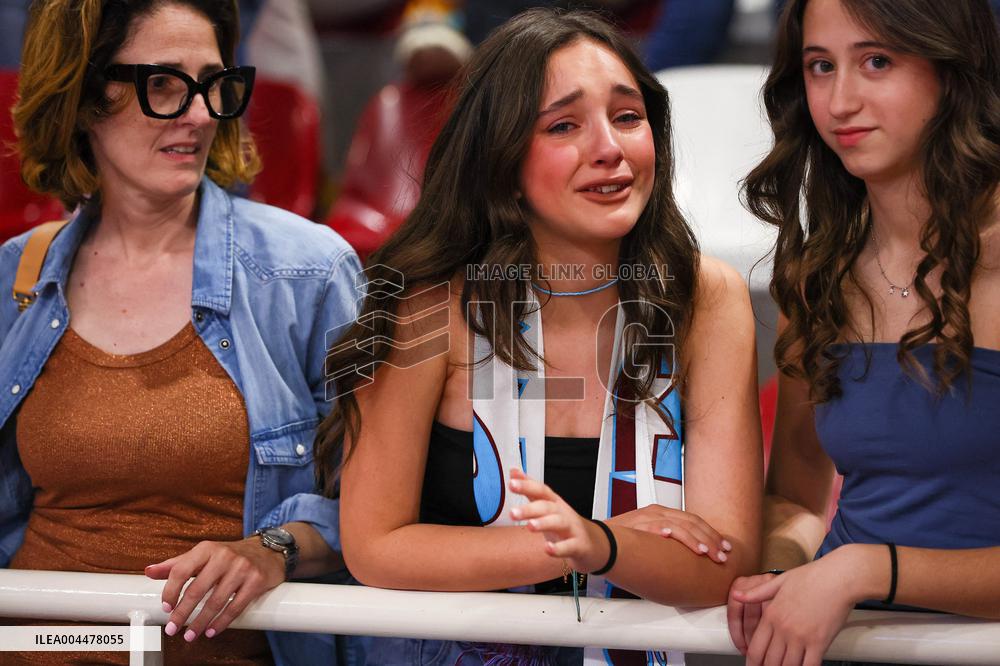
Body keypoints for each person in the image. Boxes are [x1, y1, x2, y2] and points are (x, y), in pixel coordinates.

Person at [318, 7, 762, 664]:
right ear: (500, 160)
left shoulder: (706, 296)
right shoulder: (428, 300)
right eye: (563, 126)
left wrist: (598, 545)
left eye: (628, 117)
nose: (609, 148)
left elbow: (725, 560)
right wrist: (579, 543)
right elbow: (375, 546)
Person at [1, 1, 360, 664]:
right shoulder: (16, 275)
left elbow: (377, 509)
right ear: (82, 96)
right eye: (162, 84)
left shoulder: (308, 272)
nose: (199, 114)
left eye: (214, 84)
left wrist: (275, 547)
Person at [725, 0, 1000, 664]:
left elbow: (860, 565)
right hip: (849, 644)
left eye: (877, 61)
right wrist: (781, 568)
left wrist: (864, 569)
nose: (840, 100)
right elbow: (793, 495)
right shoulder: (816, 273)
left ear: (950, 70)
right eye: (820, 66)